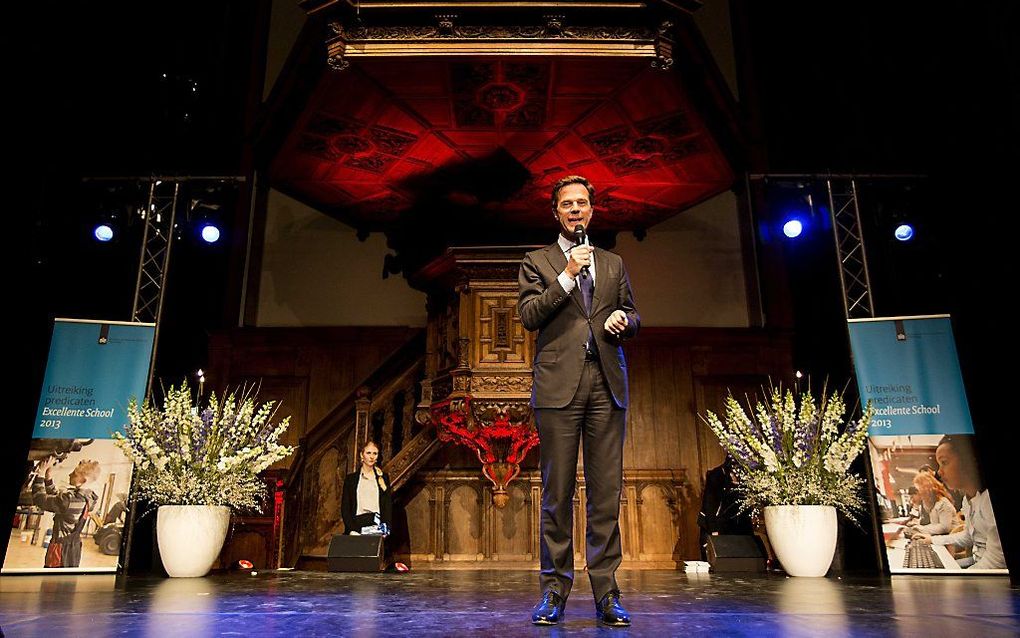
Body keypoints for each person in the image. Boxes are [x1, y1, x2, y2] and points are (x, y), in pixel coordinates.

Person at [518, 175, 640, 627]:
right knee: (557, 494)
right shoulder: (537, 261)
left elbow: (634, 313)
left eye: (582, 203)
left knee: (606, 495)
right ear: (555, 212)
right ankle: (554, 591)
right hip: (558, 388)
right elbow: (529, 315)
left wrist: (624, 320)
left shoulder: (612, 263)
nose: (575, 210)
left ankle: (607, 593)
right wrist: (567, 276)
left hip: (606, 383)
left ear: (592, 211)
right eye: (567, 203)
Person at [914, 435, 1005, 569]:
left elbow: (997, 562)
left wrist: (959, 581)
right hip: (976, 560)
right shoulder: (967, 501)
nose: (939, 472)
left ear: (968, 461)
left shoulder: (988, 500)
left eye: (944, 462)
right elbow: (968, 535)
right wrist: (932, 540)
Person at [32, 456, 100, 568]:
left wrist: (41, 474)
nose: (70, 475)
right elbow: (59, 499)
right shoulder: (89, 497)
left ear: (82, 480)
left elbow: (40, 500)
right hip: (74, 548)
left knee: (52, 582)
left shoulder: (69, 499)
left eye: (74, 474)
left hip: (60, 549)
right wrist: (48, 478)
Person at [698, 456, 753, 560]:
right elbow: (710, 504)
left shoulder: (746, 475)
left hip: (738, 523)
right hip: (717, 522)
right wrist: (714, 530)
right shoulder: (717, 475)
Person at [341, 441, 392, 536]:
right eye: (368, 453)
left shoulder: (383, 478)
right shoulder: (351, 479)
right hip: (357, 525)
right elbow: (345, 508)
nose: (372, 457)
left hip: (376, 526)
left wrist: (386, 529)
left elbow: (387, 505)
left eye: (375, 453)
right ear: (362, 455)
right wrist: (352, 530)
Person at [909, 471, 958, 535]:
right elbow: (935, 525)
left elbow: (945, 528)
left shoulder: (943, 503)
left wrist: (922, 529)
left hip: (951, 540)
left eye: (918, 489)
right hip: (942, 538)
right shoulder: (931, 504)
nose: (918, 493)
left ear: (926, 489)